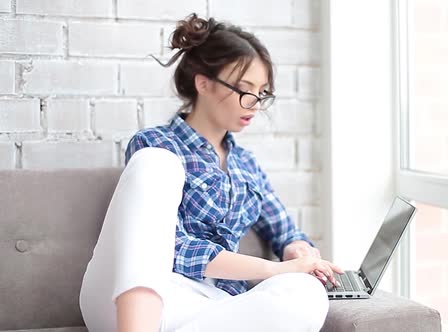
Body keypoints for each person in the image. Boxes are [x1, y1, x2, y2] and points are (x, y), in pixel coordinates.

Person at [79, 13, 343, 332]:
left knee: (307, 293)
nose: (255, 104)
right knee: (155, 163)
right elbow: (171, 247)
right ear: (203, 82)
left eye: (262, 93)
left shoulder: (246, 165)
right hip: (134, 298)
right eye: (246, 90)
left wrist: (297, 250)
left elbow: (285, 230)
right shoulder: (155, 144)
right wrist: (274, 270)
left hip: (206, 306)